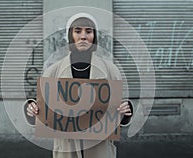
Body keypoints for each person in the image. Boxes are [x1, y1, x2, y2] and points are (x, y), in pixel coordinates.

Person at [24, 13, 133, 158]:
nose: (83, 36)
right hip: (66, 147)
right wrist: (31, 110)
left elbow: (119, 109)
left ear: (94, 36)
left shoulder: (110, 70)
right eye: (77, 31)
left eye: (88, 31)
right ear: (71, 36)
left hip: (99, 148)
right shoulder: (53, 71)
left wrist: (126, 111)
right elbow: (43, 110)